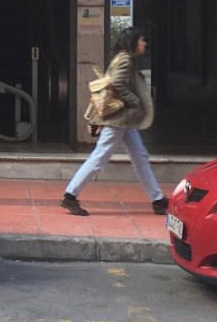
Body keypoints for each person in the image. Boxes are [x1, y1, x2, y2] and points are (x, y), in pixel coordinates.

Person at [61, 27, 168, 217]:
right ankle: (70, 195)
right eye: (142, 40)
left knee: (140, 156)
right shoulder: (125, 60)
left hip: (124, 120)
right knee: (100, 157)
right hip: (118, 120)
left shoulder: (121, 57)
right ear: (134, 42)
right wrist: (134, 101)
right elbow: (116, 85)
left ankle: (158, 200)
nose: (144, 44)